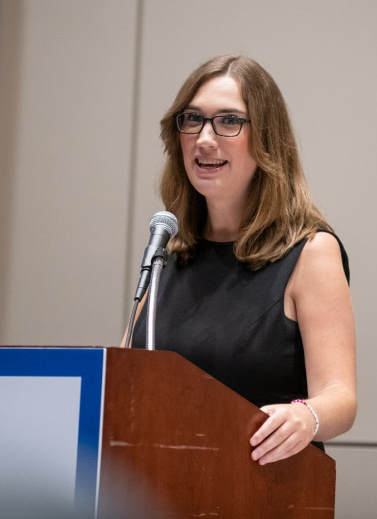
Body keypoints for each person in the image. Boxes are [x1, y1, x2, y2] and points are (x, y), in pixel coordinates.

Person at [121, 54, 356, 466]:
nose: (205, 137)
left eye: (229, 121)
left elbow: (341, 398)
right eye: (192, 119)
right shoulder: (167, 253)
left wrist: (306, 416)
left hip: (263, 489)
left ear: (266, 138)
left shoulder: (311, 252)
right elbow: (122, 382)